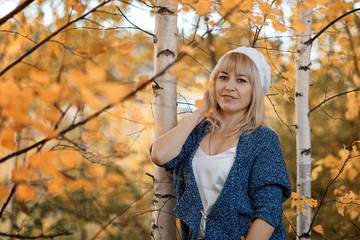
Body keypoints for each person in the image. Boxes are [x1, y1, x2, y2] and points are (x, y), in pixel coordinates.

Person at [150, 47, 291, 240]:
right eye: (223, 77)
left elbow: (268, 213)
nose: (229, 86)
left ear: (255, 90)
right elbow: (160, 154)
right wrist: (201, 112)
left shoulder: (263, 140)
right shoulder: (198, 132)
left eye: (241, 80)